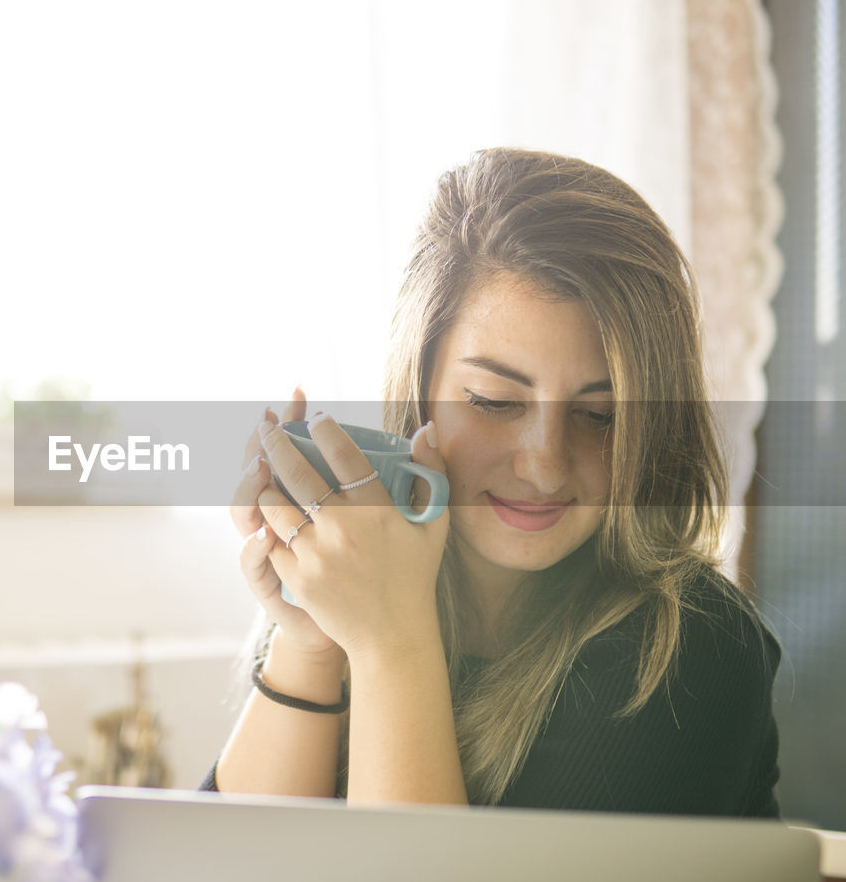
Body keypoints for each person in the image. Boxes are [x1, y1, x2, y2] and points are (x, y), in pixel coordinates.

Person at [202, 147, 781, 815]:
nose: (543, 464)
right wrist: (311, 642)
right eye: (494, 401)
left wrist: (390, 641)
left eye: (600, 416)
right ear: (419, 393)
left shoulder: (692, 653)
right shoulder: (353, 580)